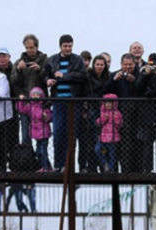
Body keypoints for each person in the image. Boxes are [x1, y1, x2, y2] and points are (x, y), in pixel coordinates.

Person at [44, 34, 86, 172]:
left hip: (73, 102)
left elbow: (82, 76)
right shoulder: (52, 60)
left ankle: (69, 165)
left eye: (70, 46)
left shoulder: (78, 60)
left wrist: (64, 76)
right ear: (60, 46)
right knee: (58, 133)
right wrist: (47, 81)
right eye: (65, 46)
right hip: (58, 101)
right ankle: (59, 164)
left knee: (71, 135)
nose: (68, 48)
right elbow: (46, 74)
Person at [103, 53, 141, 172]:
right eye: (125, 65)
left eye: (130, 64)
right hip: (119, 116)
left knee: (136, 143)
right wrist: (115, 80)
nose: (128, 67)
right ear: (121, 64)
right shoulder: (115, 75)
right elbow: (105, 91)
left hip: (137, 115)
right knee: (121, 144)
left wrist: (135, 82)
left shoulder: (140, 74)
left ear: (135, 64)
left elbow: (143, 90)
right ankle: (122, 169)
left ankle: (136, 170)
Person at [11, 34, 48, 145]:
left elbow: (48, 79)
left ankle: (41, 159)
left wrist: (39, 70)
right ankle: (27, 159)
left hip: (40, 104)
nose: (29, 50)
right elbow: (13, 81)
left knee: (41, 135)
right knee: (25, 134)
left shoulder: (45, 60)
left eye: (31, 47)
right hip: (26, 104)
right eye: (27, 48)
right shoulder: (19, 62)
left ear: (37, 47)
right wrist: (18, 70)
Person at [82, 55, 110, 172]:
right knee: (90, 141)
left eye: (101, 65)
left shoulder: (108, 77)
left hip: (104, 111)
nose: (99, 67)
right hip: (92, 111)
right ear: (94, 65)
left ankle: (103, 164)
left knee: (102, 141)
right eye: (97, 64)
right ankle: (92, 166)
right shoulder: (88, 78)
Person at [16, 87, 53, 172]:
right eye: (33, 94)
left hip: (44, 132)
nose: (35, 96)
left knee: (42, 151)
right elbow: (21, 110)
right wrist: (21, 100)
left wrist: (46, 116)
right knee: (38, 151)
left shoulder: (44, 106)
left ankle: (45, 167)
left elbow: (50, 116)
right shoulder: (30, 106)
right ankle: (47, 167)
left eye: (37, 94)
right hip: (36, 133)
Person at [95, 93, 123, 172]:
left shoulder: (117, 113)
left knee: (112, 155)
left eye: (110, 102)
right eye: (106, 102)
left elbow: (119, 124)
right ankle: (105, 163)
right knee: (99, 150)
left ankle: (111, 169)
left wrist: (116, 118)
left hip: (113, 139)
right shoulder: (103, 112)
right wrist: (104, 118)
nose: (108, 104)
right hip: (103, 139)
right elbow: (98, 123)